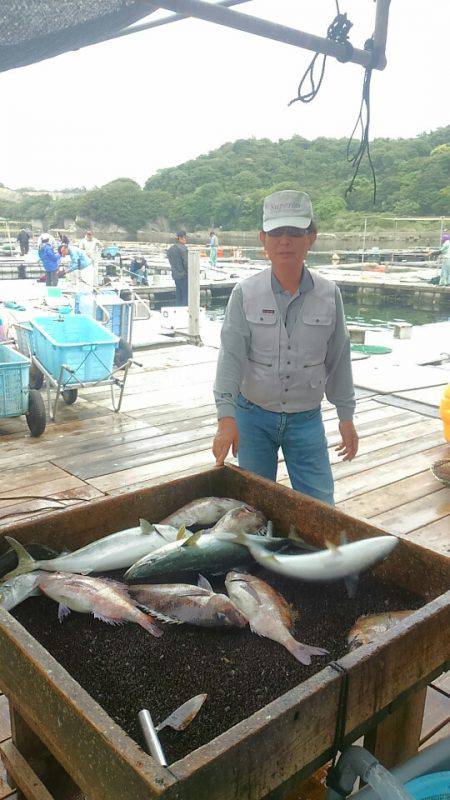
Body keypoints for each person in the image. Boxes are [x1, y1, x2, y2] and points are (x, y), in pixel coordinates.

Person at [212, 189, 359, 506]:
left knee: (321, 506)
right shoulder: (245, 292)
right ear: (263, 239)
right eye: (277, 232)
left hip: (306, 419)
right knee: (252, 505)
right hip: (252, 416)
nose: (285, 241)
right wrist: (226, 418)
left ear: (312, 237)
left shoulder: (329, 293)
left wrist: (346, 417)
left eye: (295, 232)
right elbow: (231, 357)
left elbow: (338, 359)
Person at [167, 230, 188, 306]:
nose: (186, 240)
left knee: (179, 296)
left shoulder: (170, 249)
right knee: (186, 297)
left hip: (175, 275)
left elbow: (171, 262)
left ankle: (178, 310)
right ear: (180, 238)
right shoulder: (183, 249)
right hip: (184, 276)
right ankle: (185, 313)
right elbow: (186, 264)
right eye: (185, 238)